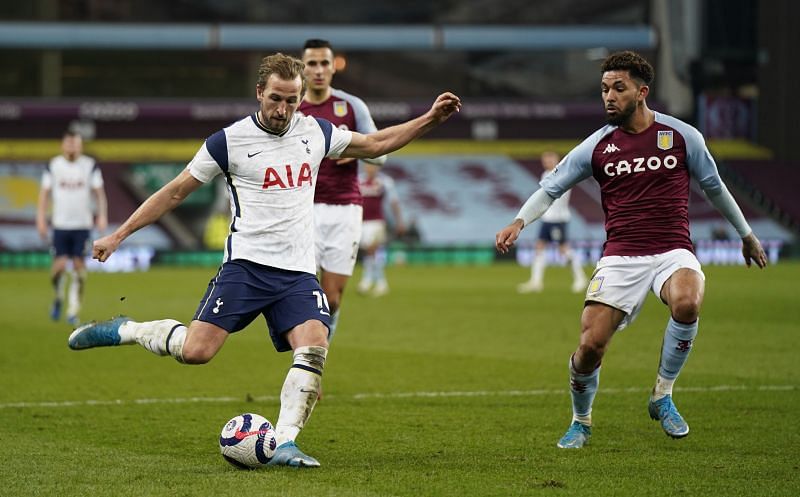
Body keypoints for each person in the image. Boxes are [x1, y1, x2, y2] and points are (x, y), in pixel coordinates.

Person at [67, 53, 460, 467]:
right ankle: (128, 329)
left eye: (292, 100)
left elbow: (376, 143)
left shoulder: (315, 132)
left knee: (314, 345)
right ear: (259, 93)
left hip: (297, 272)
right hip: (246, 268)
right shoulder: (228, 141)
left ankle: (285, 442)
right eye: (275, 98)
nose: (282, 109)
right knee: (197, 352)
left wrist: (430, 119)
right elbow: (176, 191)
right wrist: (118, 234)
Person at [495, 51, 767, 449]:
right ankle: (580, 421)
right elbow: (551, 189)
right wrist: (519, 221)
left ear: (642, 92)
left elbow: (714, 187)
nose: (608, 97)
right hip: (621, 256)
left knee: (687, 302)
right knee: (590, 347)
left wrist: (746, 234)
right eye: (604, 89)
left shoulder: (682, 136)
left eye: (618, 89)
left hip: (673, 249)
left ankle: (662, 395)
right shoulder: (597, 146)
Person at [298, 39, 387, 339]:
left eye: (325, 63)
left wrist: (355, 150)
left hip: (345, 209)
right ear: (302, 67)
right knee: (304, 297)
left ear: (333, 67)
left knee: (332, 299)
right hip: (303, 211)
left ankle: (316, 360)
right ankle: (307, 368)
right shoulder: (293, 107)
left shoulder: (351, 105)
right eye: (312, 63)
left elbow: (381, 152)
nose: (319, 70)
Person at [36, 131, 108, 326]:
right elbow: (44, 194)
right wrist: (41, 219)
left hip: (82, 225)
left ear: (80, 146)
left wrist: (102, 216)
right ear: (63, 145)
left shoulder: (90, 165)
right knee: (58, 269)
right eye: (69, 144)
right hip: (60, 225)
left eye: (75, 144)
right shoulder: (53, 165)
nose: (72, 147)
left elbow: (99, 193)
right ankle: (58, 297)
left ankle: (73, 310)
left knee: (79, 267)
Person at [517, 150, 588, 294]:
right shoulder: (546, 175)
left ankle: (580, 278)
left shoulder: (563, 174)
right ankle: (536, 282)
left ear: (557, 160)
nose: (546, 162)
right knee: (539, 247)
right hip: (547, 218)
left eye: (549, 159)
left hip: (557, 219)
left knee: (563, 249)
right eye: (545, 159)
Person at [356, 163, 405, 297]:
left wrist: (399, 221)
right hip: (361, 222)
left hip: (377, 222)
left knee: (373, 249)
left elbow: (394, 201)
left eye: (372, 166)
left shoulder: (385, 182)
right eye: (367, 166)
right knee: (368, 252)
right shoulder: (358, 180)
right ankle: (375, 281)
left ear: (377, 167)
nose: (370, 168)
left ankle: (373, 281)